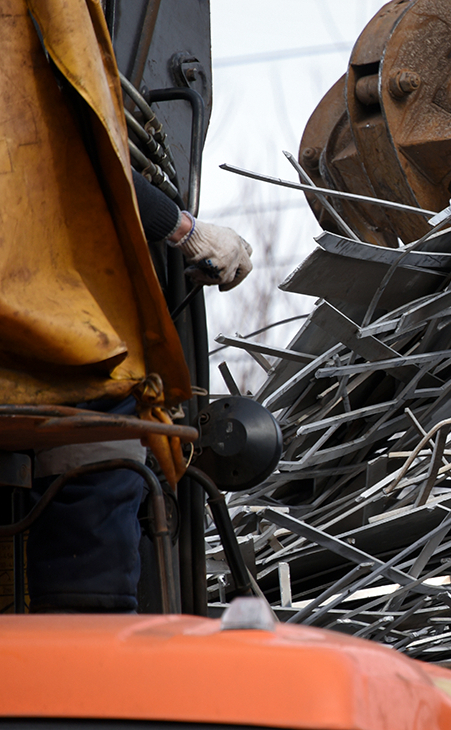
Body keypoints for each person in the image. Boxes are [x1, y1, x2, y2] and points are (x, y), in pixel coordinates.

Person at [1, 0, 253, 611]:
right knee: (110, 442)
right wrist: (182, 228)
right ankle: (85, 669)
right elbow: (64, 143)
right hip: (40, 337)